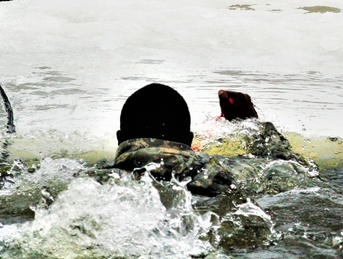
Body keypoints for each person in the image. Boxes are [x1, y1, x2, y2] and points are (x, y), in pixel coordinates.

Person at [113, 83, 317, 197]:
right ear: (188, 140)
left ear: (120, 139)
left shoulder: (97, 180)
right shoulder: (220, 173)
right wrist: (252, 125)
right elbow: (292, 167)